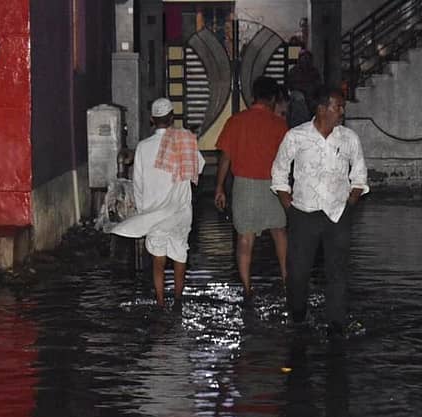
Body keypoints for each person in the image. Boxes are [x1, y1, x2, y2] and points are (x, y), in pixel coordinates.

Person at [271, 85, 368, 336]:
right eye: (338, 107)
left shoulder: (349, 138)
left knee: (337, 273)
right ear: (322, 109)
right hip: (304, 213)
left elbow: (359, 175)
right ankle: (298, 317)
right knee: (298, 273)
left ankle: (337, 325)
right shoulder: (296, 136)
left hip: (338, 214)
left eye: (342, 107)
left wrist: (350, 204)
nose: (342, 111)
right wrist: (290, 207)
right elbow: (279, 172)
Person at [111, 98, 205, 308]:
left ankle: (161, 301)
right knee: (180, 254)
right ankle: (178, 300)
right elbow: (198, 168)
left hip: (154, 213)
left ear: (152, 120)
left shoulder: (143, 147)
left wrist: (143, 212)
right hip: (180, 211)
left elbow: (138, 183)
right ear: (172, 118)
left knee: (158, 258)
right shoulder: (184, 140)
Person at [215, 76, 290, 300]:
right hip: (274, 186)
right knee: (280, 232)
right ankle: (287, 279)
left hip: (244, 186)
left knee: (245, 239)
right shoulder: (279, 124)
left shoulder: (236, 121)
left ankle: (247, 288)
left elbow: (225, 158)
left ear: (253, 96)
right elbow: (288, 160)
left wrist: (219, 187)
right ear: (273, 98)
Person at [286, 49, 322, 127]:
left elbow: (318, 86)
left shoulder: (314, 72)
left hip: (312, 97)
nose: (305, 60)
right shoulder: (293, 71)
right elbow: (290, 86)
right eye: (303, 58)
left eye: (307, 58)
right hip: (298, 97)